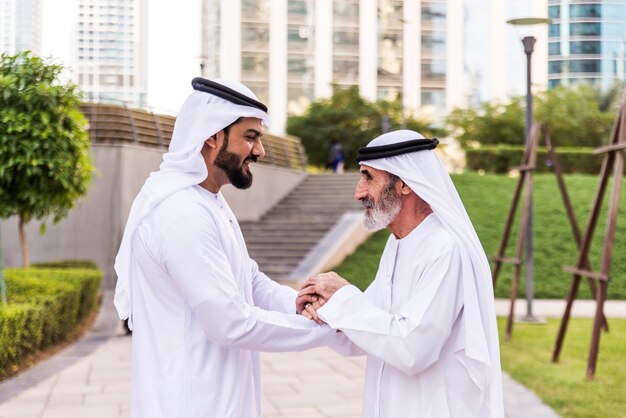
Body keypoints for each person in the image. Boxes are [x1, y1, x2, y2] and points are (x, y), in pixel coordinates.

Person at [113, 77, 351, 418]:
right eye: (250, 138)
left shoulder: (208, 202)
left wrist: (302, 303)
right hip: (189, 405)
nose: (260, 151)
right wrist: (325, 328)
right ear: (211, 136)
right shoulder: (182, 214)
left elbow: (249, 281)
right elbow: (230, 322)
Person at [298, 130, 504, 417]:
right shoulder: (397, 244)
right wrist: (323, 310)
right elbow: (370, 329)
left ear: (404, 184)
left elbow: (412, 348)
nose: (359, 191)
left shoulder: (445, 248)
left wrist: (342, 299)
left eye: (368, 177)